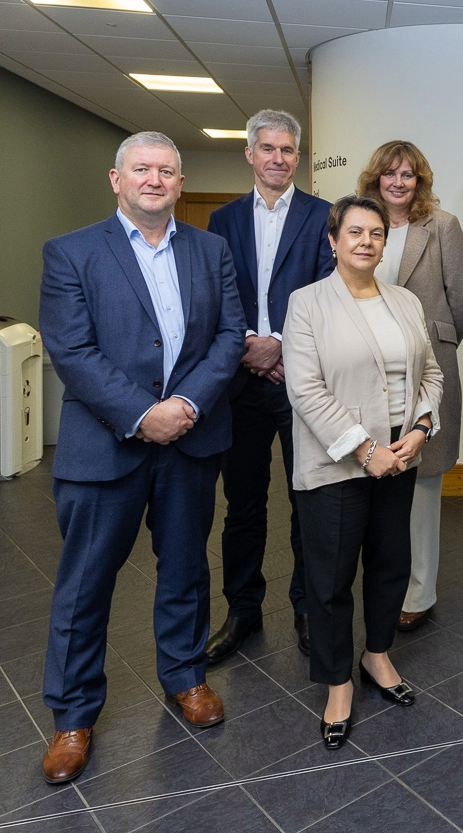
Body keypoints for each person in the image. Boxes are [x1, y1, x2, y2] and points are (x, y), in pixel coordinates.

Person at [39, 132, 246, 784]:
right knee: (84, 586)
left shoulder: (212, 251)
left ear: (181, 183)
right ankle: (73, 717)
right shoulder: (71, 253)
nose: (154, 179)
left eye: (166, 170)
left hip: (190, 438)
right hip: (104, 445)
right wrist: (141, 414)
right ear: (117, 179)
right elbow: (72, 351)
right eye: (142, 169)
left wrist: (185, 404)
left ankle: (185, 677)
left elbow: (229, 335)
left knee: (185, 568)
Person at [283, 194, 443, 749]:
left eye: (375, 233)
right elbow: (305, 390)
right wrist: (365, 449)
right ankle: (336, 684)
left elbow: (431, 374)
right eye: (354, 232)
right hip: (337, 467)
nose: (366, 241)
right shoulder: (307, 304)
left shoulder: (404, 301)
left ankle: (377, 657)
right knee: (329, 582)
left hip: (399, 460)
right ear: (333, 240)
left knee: (390, 564)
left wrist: (420, 430)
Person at [205, 110, 332, 665]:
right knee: (243, 504)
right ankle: (242, 610)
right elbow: (214, 294)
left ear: (297, 157)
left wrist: (281, 342)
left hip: (299, 381)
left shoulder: (324, 216)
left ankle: (306, 608)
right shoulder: (222, 219)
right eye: (268, 148)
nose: (278, 158)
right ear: (250, 155)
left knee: (308, 499)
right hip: (240, 382)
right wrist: (251, 346)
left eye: (288, 150)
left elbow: (331, 292)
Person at [356, 142, 463, 631]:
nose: (398, 182)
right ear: (376, 179)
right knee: (375, 479)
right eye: (389, 174)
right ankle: (382, 582)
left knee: (422, 485)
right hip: (366, 373)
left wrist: (434, 342)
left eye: (408, 174)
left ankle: (419, 594)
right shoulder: (361, 222)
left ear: (420, 181)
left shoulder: (442, 226)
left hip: (425, 367)